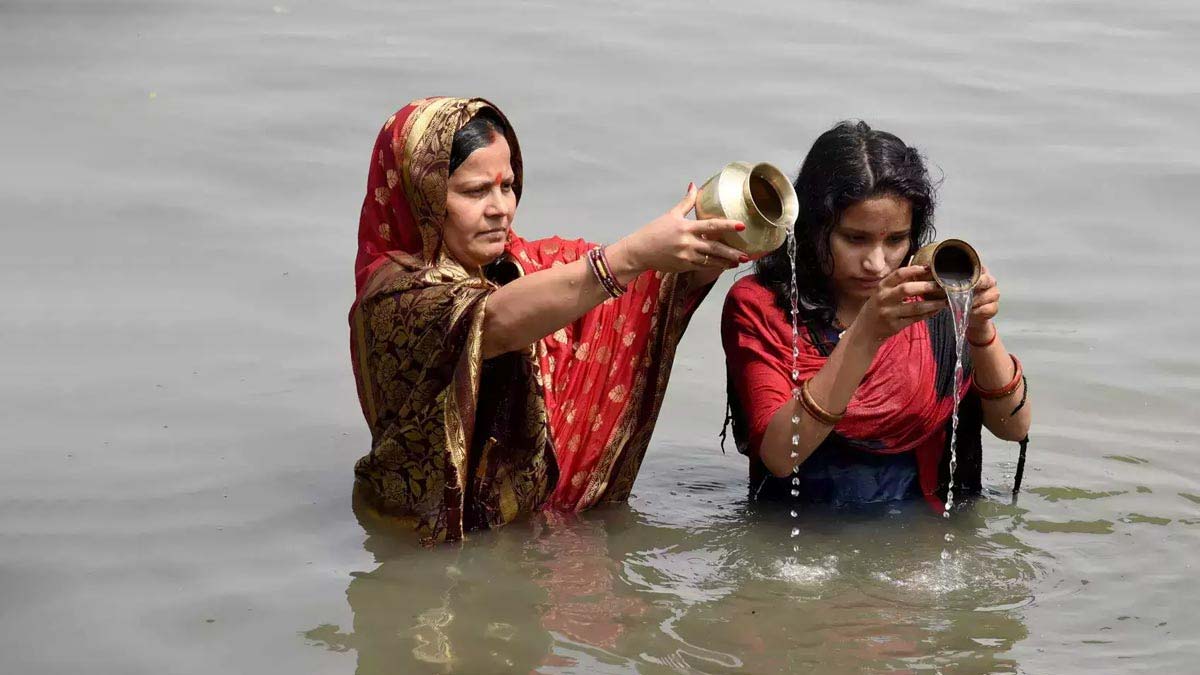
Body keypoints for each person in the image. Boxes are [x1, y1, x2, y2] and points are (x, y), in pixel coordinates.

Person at [350, 97, 749, 544]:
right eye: (475, 191)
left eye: (508, 186)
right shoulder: (394, 296)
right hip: (419, 551)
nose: (501, 207)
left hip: (512, 541)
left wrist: (708, 245)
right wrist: (633, 255)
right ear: (420, 194)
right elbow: (491, 321)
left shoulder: (513, 267)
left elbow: (633, 294)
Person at [721, 121, 1031, 508]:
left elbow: (1013, 426)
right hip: (799, 542)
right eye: (855, 239)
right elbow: (782, 456)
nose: (876, 262)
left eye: (896, 240)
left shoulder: (932, 299)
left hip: (924, 535)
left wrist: (980, 328)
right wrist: (867, 332)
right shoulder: (762, 305)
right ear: (813, 228)